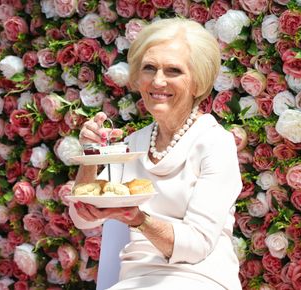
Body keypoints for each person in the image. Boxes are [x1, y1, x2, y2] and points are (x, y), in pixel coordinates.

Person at [69, 18, 242, 290]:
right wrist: (91, 155)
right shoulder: (133, 144)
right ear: (139, 78)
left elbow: (196, 245)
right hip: (135, 281)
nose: (158, 81)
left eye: (173, 70)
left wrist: (138, 219)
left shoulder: (215, 143)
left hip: (199, 278)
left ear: (197, 83)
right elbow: (82, 216)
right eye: (149, 68)